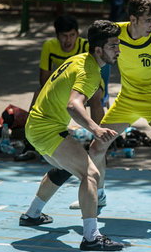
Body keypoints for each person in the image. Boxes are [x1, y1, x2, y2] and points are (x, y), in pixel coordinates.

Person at [68, 0, 151, 232]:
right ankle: (98, 195)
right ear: (133, 19)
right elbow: (94, 46)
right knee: (97, 146)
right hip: (128, 98)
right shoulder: (116, 34)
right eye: (148, 20)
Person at [19, 20, 124, 251]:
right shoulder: (89, 72)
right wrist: (95, 129)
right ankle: (91, 237)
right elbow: (73, 105)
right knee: (91, 174)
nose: (118, 50)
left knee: (66, 167)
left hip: (35, 126)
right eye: (113, 46)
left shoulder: (78, 60)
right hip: (46, 129)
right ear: (99, 50)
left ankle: (32, 214)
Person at [15, 15, 106, 161]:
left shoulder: (85, 46)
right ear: (57, 36)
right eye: (64, 36)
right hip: (62, 85)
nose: (68, 40)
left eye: (72, 35)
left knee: (96, 96)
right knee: (38, 92)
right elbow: (44, 80)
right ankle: (30, 145)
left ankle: (100, 143)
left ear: (77, 35)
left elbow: (95, 79)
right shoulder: (49, 46)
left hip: (87, 84)